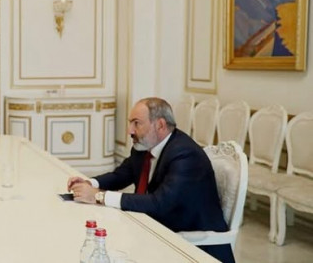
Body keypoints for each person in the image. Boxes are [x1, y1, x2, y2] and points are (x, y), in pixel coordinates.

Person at [67, 97, 234, 263]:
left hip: (194, 248)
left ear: (160, 125)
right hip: (159, 230)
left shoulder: (185, 154)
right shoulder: (144, 145)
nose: (130, 131)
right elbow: (121, 175)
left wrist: (99, 196)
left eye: (136, 123)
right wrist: (90, 183)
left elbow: (159, 203)